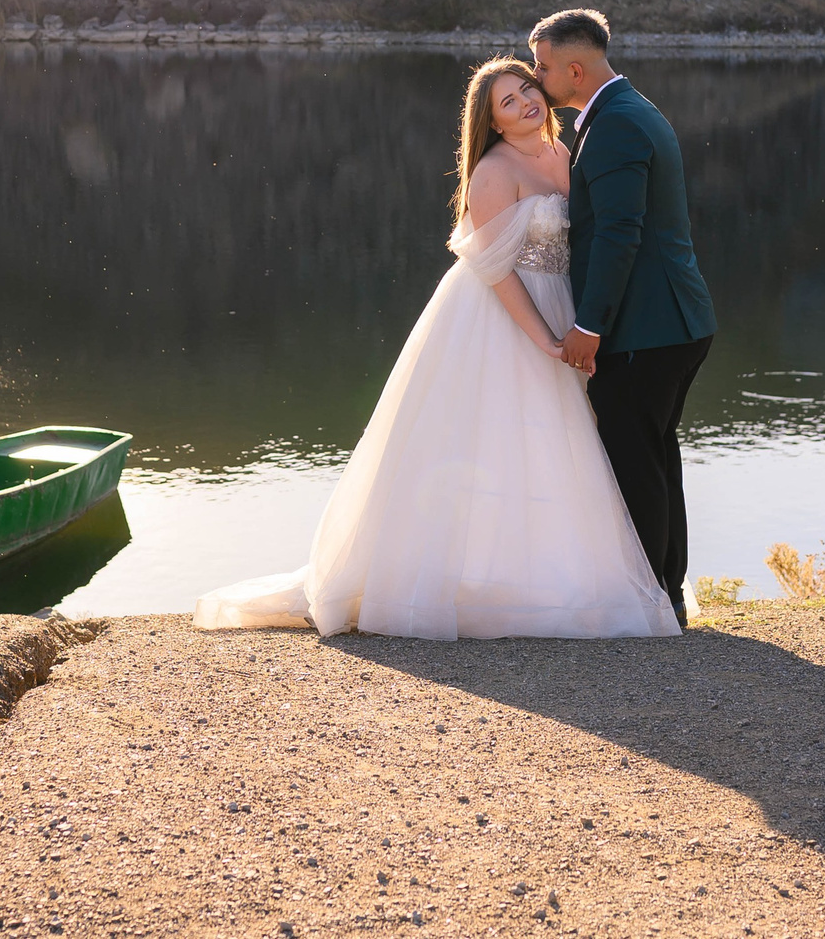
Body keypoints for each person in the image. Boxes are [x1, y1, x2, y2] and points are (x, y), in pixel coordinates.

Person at [194, 56, 679, 640]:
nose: (526, 101)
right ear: (493, 124)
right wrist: (545, 340)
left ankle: (571, 572)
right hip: (512, 312)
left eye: (528, 87)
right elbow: (498, 272)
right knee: (508, 439)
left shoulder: (566, 149)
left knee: (576, 444)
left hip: (569, 306)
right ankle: (492, 585)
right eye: (509, 101)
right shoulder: (494, 174)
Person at [528, 8, 717, 626]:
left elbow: (617, 233)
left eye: (545, 66)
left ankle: (652, 604)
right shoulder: (625, 110)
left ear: (575, 69)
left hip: (647, 328)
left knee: (637, 460)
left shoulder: (615, 126)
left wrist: (589, 325)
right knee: (656, 455)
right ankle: (666, 595)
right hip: (673, 323)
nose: (537, 77)